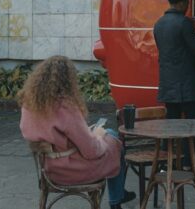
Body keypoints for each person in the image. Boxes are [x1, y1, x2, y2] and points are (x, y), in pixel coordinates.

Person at [18, 56, 135, 209]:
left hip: (48, 169)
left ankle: (118, 196)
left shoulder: (29, 104)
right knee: (113, 140)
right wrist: (99, 136)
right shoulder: (65, 107)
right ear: (68, 80)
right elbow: (92, 151)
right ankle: (116, 200)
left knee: (108, 137)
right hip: (71, 170)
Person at [153, 0, 195, 179]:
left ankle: (165, 164)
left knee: (171, 125)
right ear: (181, 2)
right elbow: (194, 49)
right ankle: (187, 165)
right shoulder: (183, 23)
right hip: (185, 82)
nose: (188, 6)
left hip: (168, 81)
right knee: (190, 125)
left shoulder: (159, 24)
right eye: (187, 2)